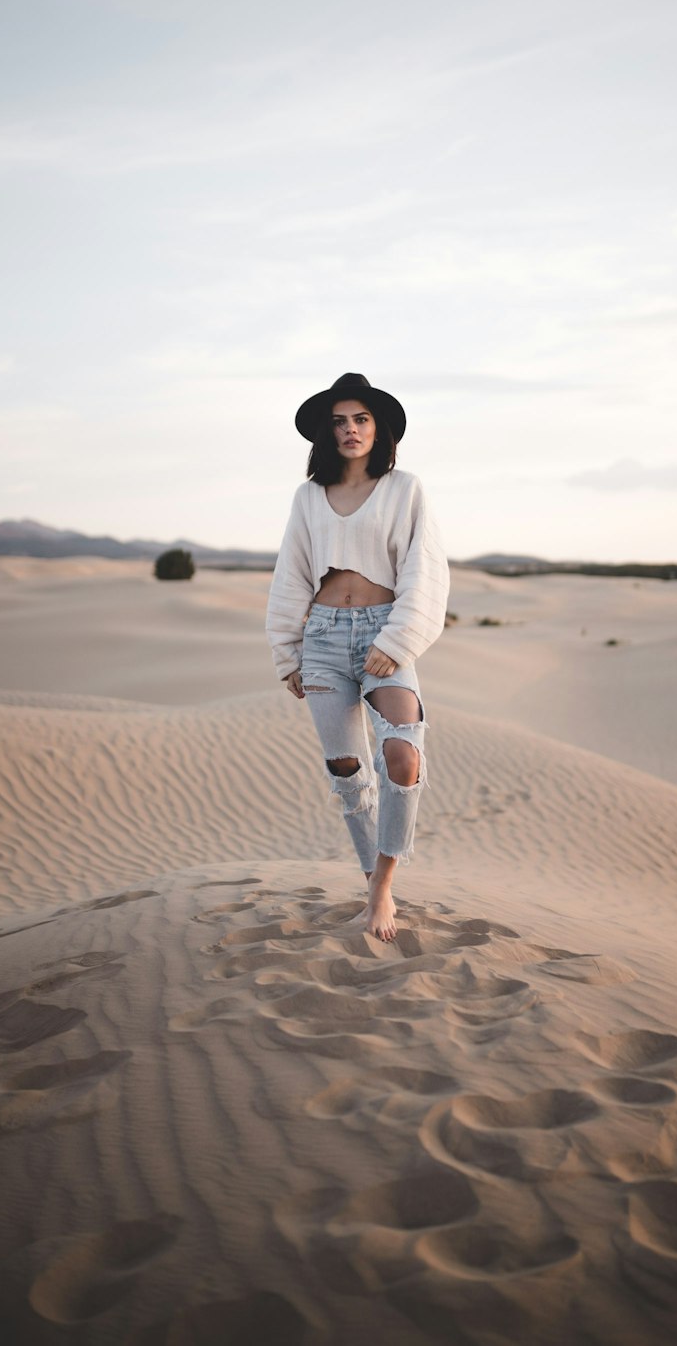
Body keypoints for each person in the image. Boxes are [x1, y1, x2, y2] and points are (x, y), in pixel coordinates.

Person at [265, 372, 450, 942]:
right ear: (327, 432)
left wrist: (395, 643)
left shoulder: (406, 489)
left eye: (361, 419)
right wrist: (287, 651)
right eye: (340, 421)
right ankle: (374, 879)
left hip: (383, 634)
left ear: (379, 428)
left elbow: (427, 571)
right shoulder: (308, 497)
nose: (350, 430)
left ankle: (383, 885)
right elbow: (291, 574)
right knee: (347, 771)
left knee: (402, 756)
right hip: (321, 638)